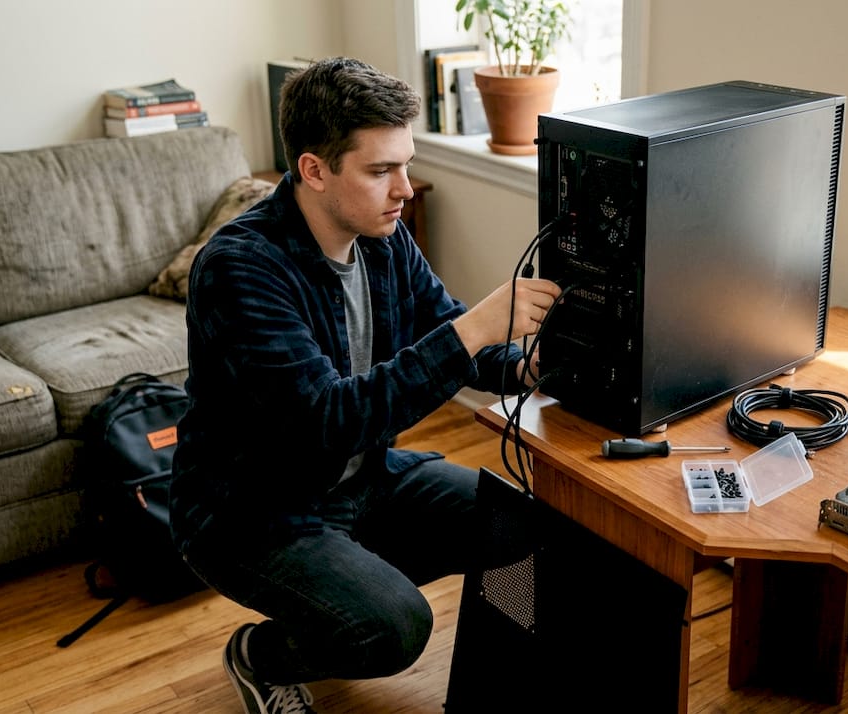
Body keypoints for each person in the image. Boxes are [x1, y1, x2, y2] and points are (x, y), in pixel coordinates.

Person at [168, 56, 562, 714]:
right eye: (380, 171)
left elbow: (443, 328)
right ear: (314, 170)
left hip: (362, 481)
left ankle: (501, 676)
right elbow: (329, 420)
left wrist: (525, 368)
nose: (404, 189)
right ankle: (261, 655)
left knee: (522, 526)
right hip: (251, 513)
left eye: (405, 165)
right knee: (393, 627)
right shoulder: (238, 269)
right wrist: (475, 328)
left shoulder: (383, 238)